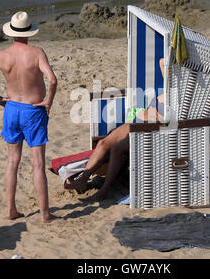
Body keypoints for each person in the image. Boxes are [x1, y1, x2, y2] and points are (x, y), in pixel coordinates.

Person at [0, 11, 58, 223]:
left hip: (11, 109)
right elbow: (53, 80)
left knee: (12, 162)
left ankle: (11, 210)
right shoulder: (37, 53)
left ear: (11, 33)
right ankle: (45, 214)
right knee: (37, 164)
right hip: (33, 110)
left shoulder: (2, 55)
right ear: (29, 32)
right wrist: (48, 101)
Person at [65, 58, 166, 202]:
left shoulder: (179, 98)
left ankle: (103, 191)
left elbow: (167, 121)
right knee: (102, 143)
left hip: (144, 129)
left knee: (116, 150)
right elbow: (162, 61)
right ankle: (84, 178)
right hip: (132, 123)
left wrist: (155, 115)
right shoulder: (169, 86)